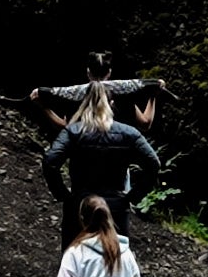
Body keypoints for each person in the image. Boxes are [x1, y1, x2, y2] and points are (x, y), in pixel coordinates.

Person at [36, 83, 164, 237]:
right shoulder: (129, 133)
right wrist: (133, 197)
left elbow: (50, 161)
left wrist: (63, 195)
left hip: (80, 204)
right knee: (114, 255)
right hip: (116, 205)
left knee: (73, 254)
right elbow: (153, 163)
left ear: (84, 104)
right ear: (111, 104)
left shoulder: (72, 132)